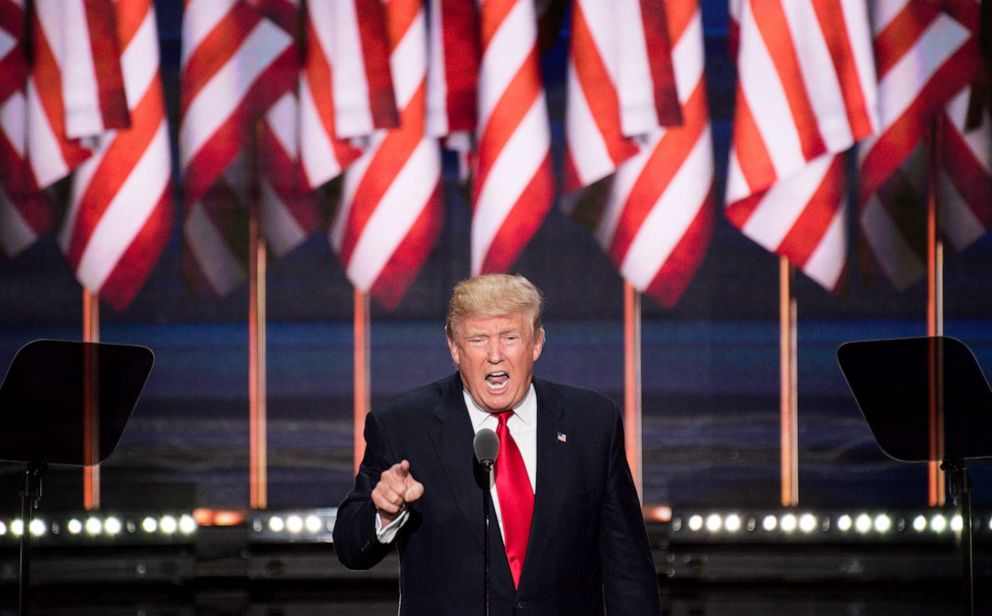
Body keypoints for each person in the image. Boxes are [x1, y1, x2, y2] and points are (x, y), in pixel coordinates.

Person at [333, 274, 661, 615]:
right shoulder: (404, 425)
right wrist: (384, 512)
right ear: (454, 349)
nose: (494, 355)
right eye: (477, 340)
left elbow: (629, 571)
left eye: (509, 337)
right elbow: (349, 548)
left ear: (536, 343)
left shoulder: (591, 423)